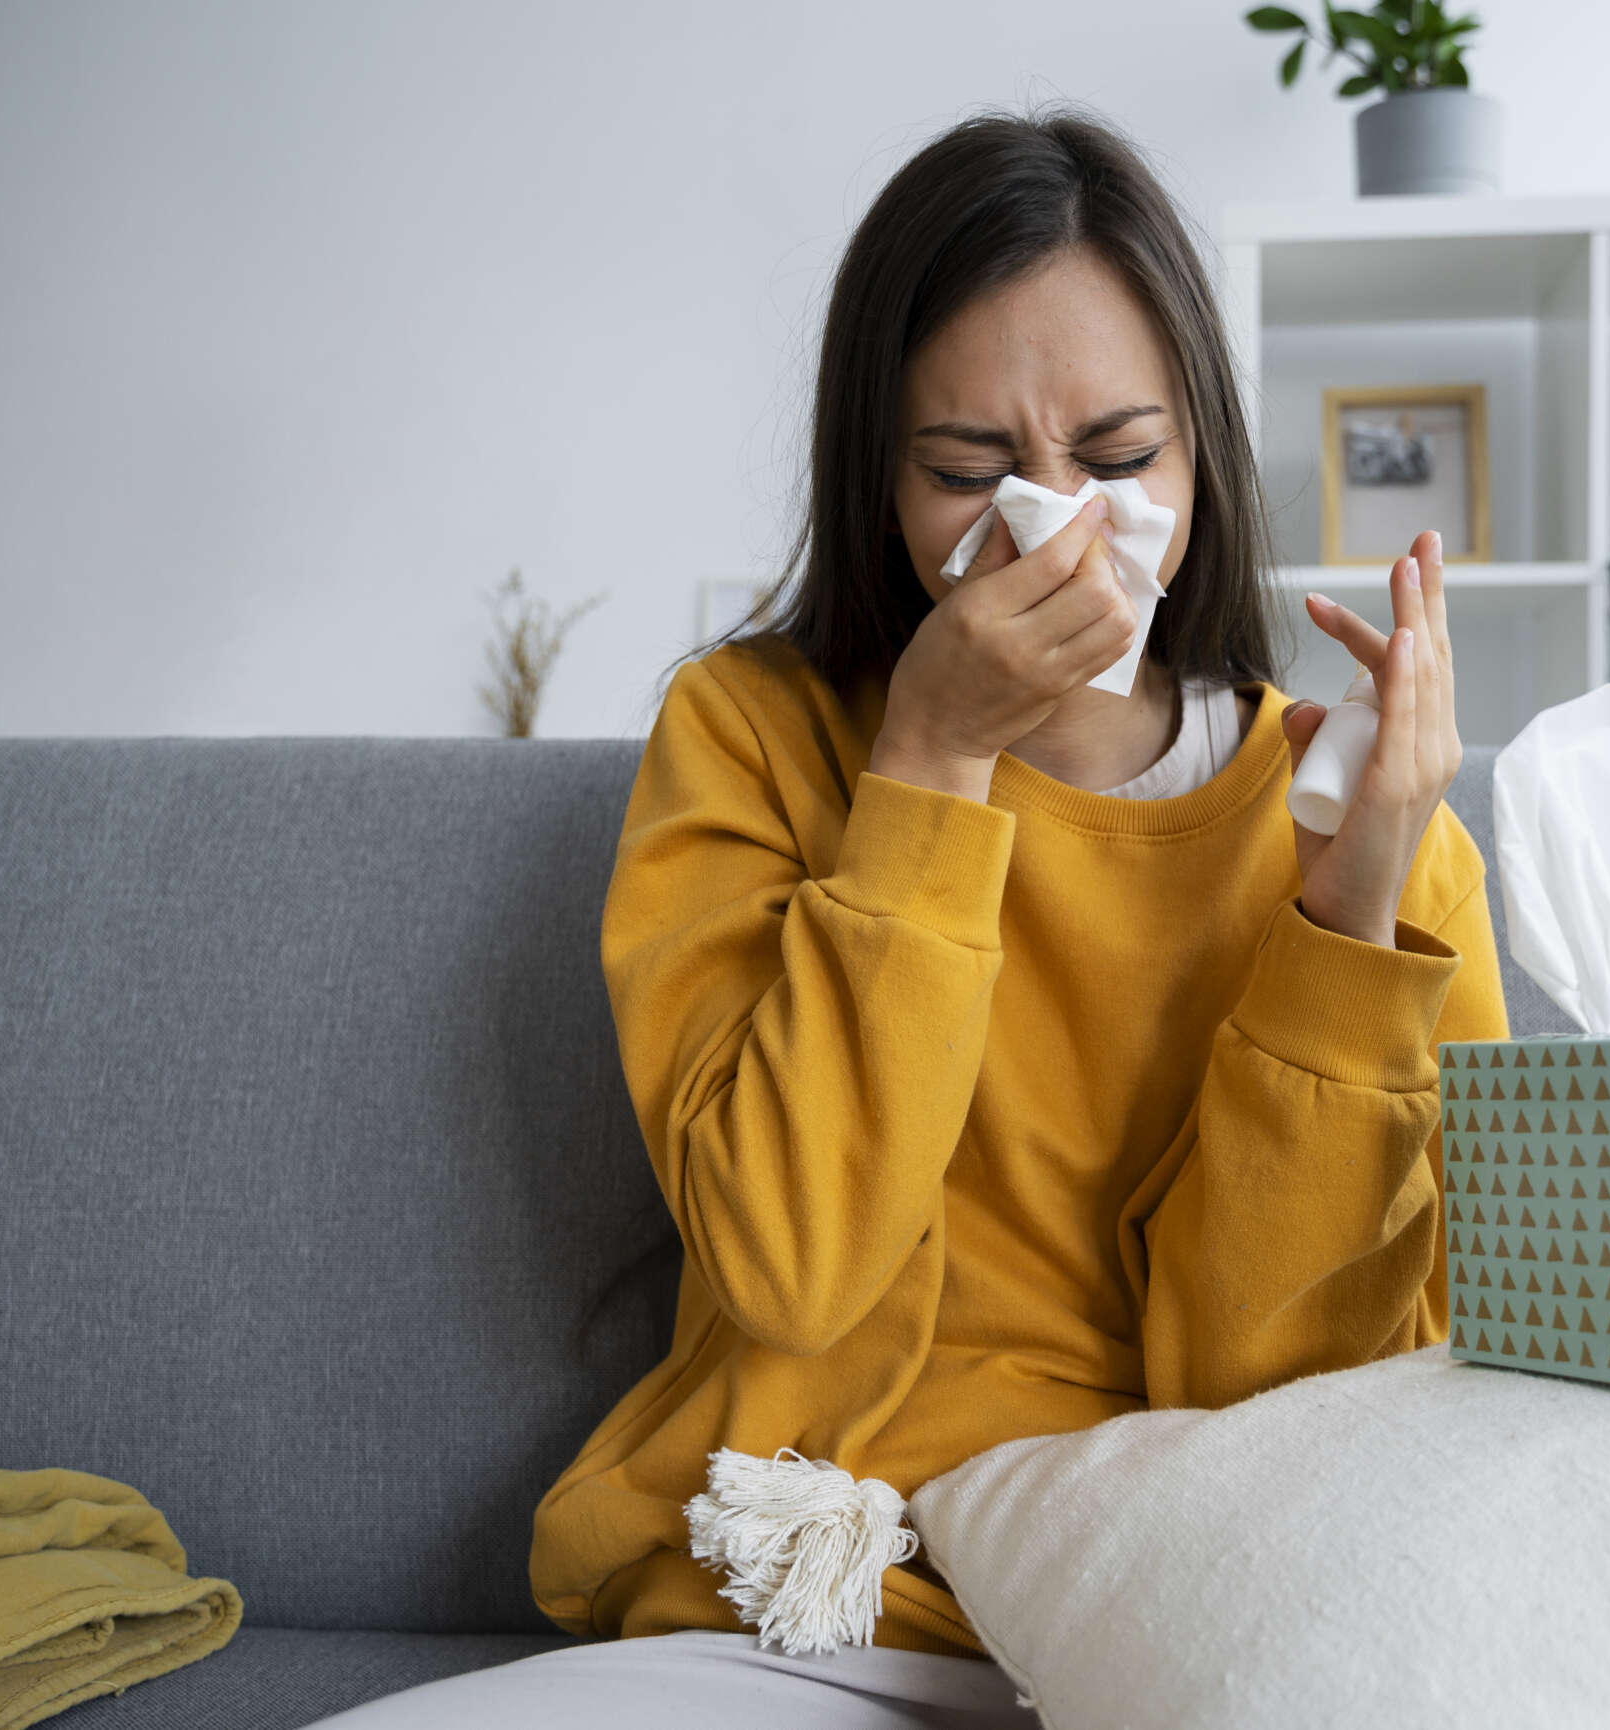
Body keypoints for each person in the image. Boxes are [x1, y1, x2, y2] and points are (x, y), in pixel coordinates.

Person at [302, 101, 1507, 1730]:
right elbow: (792, 1268)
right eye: (970, 471)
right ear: (881, 476)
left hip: (1183, 1596)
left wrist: (1348, 924)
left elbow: (1281, 1405)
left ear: (1207, 453)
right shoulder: (750, 738)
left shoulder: (1369, 823)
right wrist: (931, 763)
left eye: (1123, 458)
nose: (1058, 523)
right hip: (811, 1581)